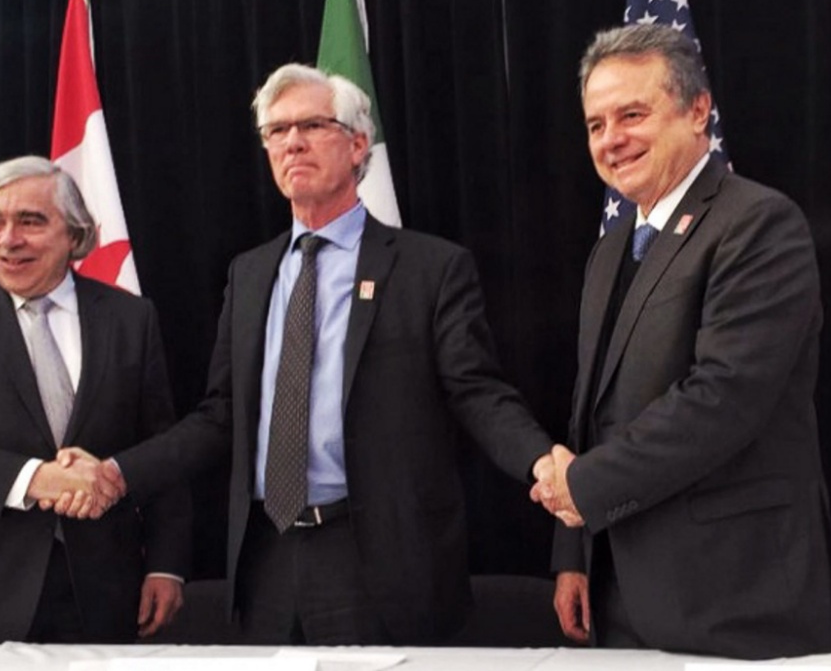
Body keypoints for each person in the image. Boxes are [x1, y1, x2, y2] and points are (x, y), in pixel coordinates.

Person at [62, 63, 554, 645]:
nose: (291, 142)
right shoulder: (249, 273)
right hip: (267, 559)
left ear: (358, 145)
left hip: (376, 559)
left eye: (312, 126)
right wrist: (118, 472)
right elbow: (219, 416)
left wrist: (541, 463)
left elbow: (476, 393)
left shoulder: (430, 268)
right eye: (277, 130)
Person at [530, 24, 831, 658]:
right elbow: (590, 410)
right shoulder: (610, 250)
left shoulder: (757, 223)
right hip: (618, 594)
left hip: (735, 597)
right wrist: (573, 552)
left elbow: (724, 398)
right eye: (596, 124)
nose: (611, 139)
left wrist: (584, 486)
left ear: (698, 111)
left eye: (632, 115)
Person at [0, 156, 191, 643]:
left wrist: (165, 565)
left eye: (30, 221)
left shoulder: (130, 318)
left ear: (75, 234)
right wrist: (36, 479)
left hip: (102, 593)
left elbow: (161, 448)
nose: (8, 240)